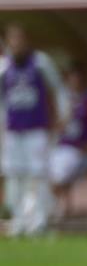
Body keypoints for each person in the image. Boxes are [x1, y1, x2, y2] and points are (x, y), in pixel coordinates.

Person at [1, 25, 66, 237]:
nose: (17, 43)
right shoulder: (4, 68)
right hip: (13, 131)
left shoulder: (40, 63)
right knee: (15, 175)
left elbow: (57, 89)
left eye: (20, 38)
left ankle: (39, 220)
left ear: (27, 40)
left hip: (36, 129)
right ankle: (18, 220)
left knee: (38, 174)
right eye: (13, 39)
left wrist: (62, 117)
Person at [49, 63, 87, 222]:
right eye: (72, 77)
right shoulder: (63, 99)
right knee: (46, 172)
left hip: (80, 150)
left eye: (78, 77)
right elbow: (56, 124)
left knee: (60, 174)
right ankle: (64, 208)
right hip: (61, 148)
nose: (75, 81)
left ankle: (63, 209)